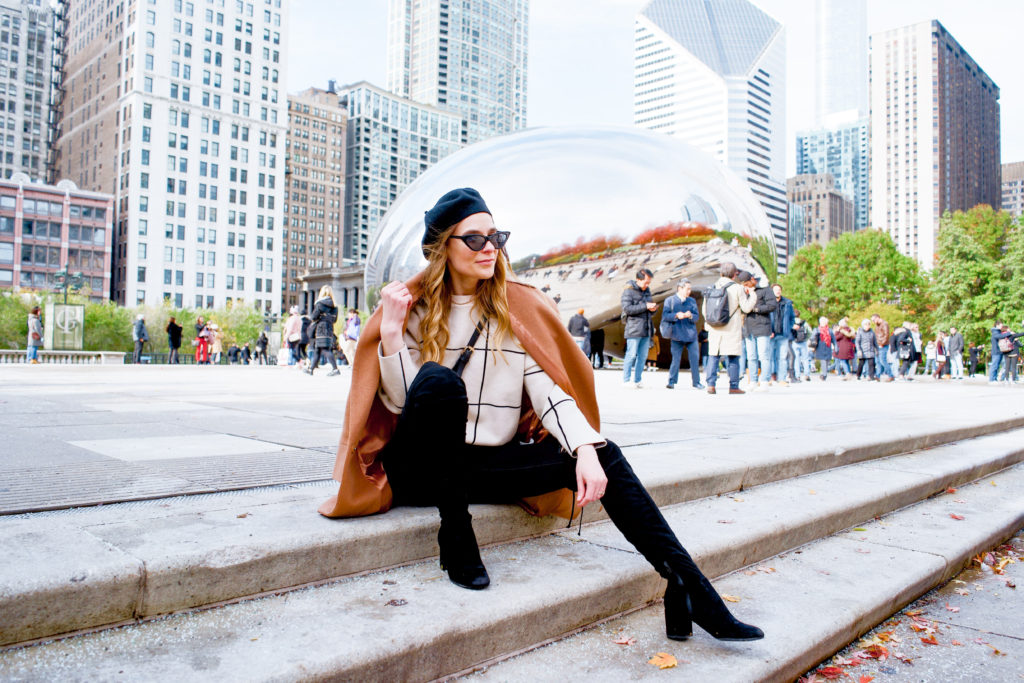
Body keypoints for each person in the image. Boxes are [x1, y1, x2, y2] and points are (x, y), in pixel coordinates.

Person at [317, 187, 763, 644]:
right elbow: (402, 403)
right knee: (439, 384)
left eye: (496, 237)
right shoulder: (412, 310)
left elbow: (549, 391)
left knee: (604, 453)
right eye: (474, 239)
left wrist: (585, 447)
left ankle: (689, 587)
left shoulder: (515, 311)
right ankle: (456, 537)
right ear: (442, 249)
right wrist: (390, 333)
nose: (489, 247)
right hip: (423, 469)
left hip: (484, 467)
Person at [702, 263, 755, 395]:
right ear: (734, 274)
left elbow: (705, 310)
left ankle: (711, 385)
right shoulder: (738, 288)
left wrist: (711, 322)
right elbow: (746, 308)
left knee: (713, 356)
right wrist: (752, 295)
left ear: (721, 273)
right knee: (732, 357)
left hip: (715, 327)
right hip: (731, 327)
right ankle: (734, 386)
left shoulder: (711, 287)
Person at [661, 280, 702, 390]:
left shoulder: (692, 301)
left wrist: (690, 316)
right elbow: (665, 316)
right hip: (676, 334)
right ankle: (671, 381)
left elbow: (697, 317)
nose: (689, 291)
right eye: (687, 288)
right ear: (680, 288)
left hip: (691, 334)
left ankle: (696, 382)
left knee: (694, 359)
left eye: (690, 289)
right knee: (676, 359)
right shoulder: (670, 300)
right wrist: (676, 315)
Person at [621, 268, 657, 388]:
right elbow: (627, 309)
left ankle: (637, 380)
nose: (647, 285)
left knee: (642, 357)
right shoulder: (628, 291)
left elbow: (648, 310)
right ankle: (626, 380)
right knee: (631, 355)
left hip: (646, 328)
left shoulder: (647, 291)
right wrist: (645, 306)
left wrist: (652, 309)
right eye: (645, 282)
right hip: (634, 329)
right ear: (638, 279)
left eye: (649, 283)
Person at [740, 273, 776, 391]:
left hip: (762, 327)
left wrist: (757, 309)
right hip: (749, 328)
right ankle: (753, 381)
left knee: (764, 356)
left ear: (752, 280)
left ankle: (765, 381)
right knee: (751, 357)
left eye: (747, 283)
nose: (746, 286)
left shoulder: (765, 289)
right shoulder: (744, 292)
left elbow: (772, 306)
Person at [306, 285, 341, 376]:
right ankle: (311, 369)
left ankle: (335, 369)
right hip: (329, 328)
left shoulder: (320, 304)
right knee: (318, 349)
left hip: (321, 328)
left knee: (325, 349)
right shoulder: (334, 306)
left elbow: (314, 317)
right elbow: (335, 320)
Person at [767, 284, 794, 386]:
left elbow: (792, 318)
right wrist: (768, 330)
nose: (778, 291)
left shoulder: (787, 303)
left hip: (783, 335)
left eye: (779, 290)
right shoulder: (768, 302)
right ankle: (768, 378)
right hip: (771, 334)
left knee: (782, 358)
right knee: (768, 357)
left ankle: (782, 379)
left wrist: (788, 328)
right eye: (775, 290)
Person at [871, 314, 893, 381]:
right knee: (878, 361)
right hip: (878, 345)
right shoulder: (877, 326)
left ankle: (891, 375)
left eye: (874, 320)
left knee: (883, 360)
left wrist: (882, 344)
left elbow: (886, 335)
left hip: (883, 345)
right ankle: (878, 376)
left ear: (878, 318)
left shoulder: (884, 324)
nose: (873, 322)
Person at [791, 315, 811, 381]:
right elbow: (810, 332)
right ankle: (807, 374)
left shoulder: (792, 322)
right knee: (805, 359)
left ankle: (797, 375)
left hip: (794, 342)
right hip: (803, 342)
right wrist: (806, 339)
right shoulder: (804, 323)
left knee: (796, 359)